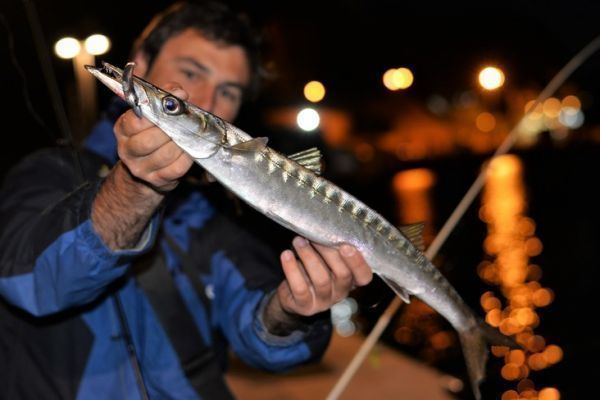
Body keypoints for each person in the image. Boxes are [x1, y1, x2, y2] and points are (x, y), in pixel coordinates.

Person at [0, 1, 372, 399]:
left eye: (228, 91)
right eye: (191, 72)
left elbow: (263, 336)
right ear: (139, 63)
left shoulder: (219, 210)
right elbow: (28, 283)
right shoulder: (48, 172)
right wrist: (136, 186)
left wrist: (292, 308)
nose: (207, 101)